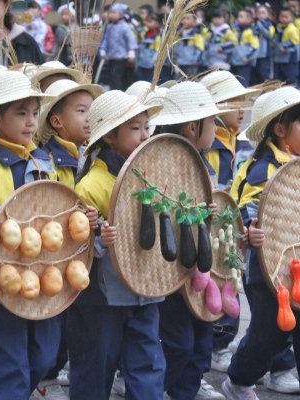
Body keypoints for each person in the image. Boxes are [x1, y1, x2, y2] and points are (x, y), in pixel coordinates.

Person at [0, 71, 95, 400]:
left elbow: (62, 204)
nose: (31, 122)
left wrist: (83, 216)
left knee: (43, 357)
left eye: (34, 113)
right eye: (20, 113)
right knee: (7, 362)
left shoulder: (45, 161)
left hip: (45, 279)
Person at [69, 91, 164, 400]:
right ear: (109, 136)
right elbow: (75, 241)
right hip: (103, 299)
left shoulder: (152, 174)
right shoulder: (91, 184)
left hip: (146, 289)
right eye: (134, 128)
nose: (144, 135)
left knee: (147, 366)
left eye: (147, 127)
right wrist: (99, 238)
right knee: (94, 370)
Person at [151, 82, 232, 400]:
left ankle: (184, 391)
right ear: (192, 125)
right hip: (169, 270)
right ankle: (154, 388)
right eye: (212, 122)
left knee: (201, 341)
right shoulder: (161, 160)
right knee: (178, 342)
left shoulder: (204, 161)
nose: (216, 128)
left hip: (198, 266)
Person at [222, 86, 300, 400]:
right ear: (281, 131)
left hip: (295, 263)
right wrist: (252, 228)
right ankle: (239, 380)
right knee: (267, 331)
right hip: (266, 265)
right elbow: (248, 209)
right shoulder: (264, 169)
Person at [31, 79, 103, 400]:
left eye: (93, 110)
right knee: (51, 324)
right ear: (57, 121)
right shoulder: (45, 159)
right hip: (53, 255)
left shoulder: (94, 155)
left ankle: (52, 373)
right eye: (81, 110)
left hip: (82, 256)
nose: (90, 117)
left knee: (75, 325)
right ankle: (39, 377)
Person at [100, 3, 138, 90]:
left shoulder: (125, 27)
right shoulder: (110, 27)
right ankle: (113, 90)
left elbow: (130, 40)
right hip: (111, 56)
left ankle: (118, 92)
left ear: (121, 14)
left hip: (122, 57)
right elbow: (106, 40)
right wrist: (103, 51)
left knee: (118, 76)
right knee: (111, 76)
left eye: (113, 12)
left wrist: (131, 53)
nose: (110, 14)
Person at [231, 10, 260, 87]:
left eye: (241, 17)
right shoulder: (236, 30)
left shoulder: (251, 31)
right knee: (234, 80)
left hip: (244, 61)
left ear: (249, 19)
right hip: (235, 60)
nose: (238, 19)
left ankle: (244, 97)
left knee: (243, 80)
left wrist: (248, 57)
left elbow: (255, 47)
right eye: (238, 17)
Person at [273, 9, 300, 86]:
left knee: (290, 76)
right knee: (279, 77)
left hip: (289, 58)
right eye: (281, 17)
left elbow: (295, 42)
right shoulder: (279, 28)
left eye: (286, 17)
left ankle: (295, 92)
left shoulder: (292, 29)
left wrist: (285, 48)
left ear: (291, 18)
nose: (283, 19)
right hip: (279, 57)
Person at [174, 11, 205, 78]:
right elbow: (176, 45)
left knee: (191, 79)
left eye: (188, 18)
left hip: (192, 63)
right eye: (183, 19)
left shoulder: (196, 33)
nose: (185, 21)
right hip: (181, 61)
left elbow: (200, 48)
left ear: (194, 21)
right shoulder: (179, 33)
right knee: (181, 79)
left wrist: (196, 60)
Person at [252, 4, 276, 85]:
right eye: (259, 13)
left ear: (268, 14)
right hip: (255, 53)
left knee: (264, 72)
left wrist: (260, 25)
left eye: (263, 13)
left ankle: (268, 89)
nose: (261, 15)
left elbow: (269, 35)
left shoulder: (270, 25)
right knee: (256, 73)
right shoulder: (253, 24)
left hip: (265, 54)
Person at [137, 13, 162, 83]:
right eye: (147, 21)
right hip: (142, 63)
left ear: (157, 24)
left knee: (149, 81)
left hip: (151, 64)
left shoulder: (158, 36)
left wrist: (154, 61)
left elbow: (158, 51)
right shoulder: (144, 34)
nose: (147, 23)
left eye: (150, 22)